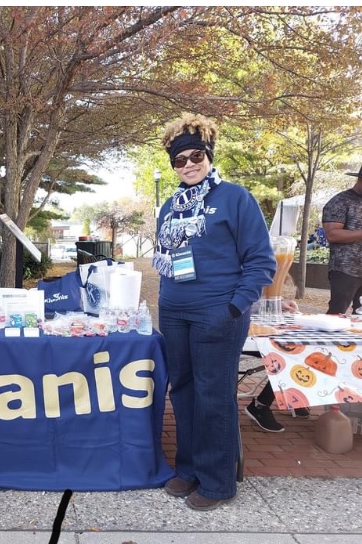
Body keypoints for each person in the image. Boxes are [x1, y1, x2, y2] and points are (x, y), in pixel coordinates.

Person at [152, 113, 276, 511]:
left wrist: (235, 306)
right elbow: (166, 257)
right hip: (175, 311)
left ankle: (218, 481)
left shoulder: (235, 198)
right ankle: (188, 469)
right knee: (184, 391)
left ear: (209, 154)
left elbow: (260, 260)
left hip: (217, 312)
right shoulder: (169, 206)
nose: (188, 164)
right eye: (179, 159)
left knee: (214, 395)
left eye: (195, 156)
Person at [244, 299, 310, 432]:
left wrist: (280, 303)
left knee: (299, 350)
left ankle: (291, 398)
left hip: (262, 328)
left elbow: (258, 301)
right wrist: (275, 304)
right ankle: (261, 405)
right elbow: (243, 304)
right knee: (288, 354)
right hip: (242, 333)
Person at [322, 166, 362, 315]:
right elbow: (332, 234)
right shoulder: (340, 201)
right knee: (337, 313)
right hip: (345, 269)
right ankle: (327, 339)